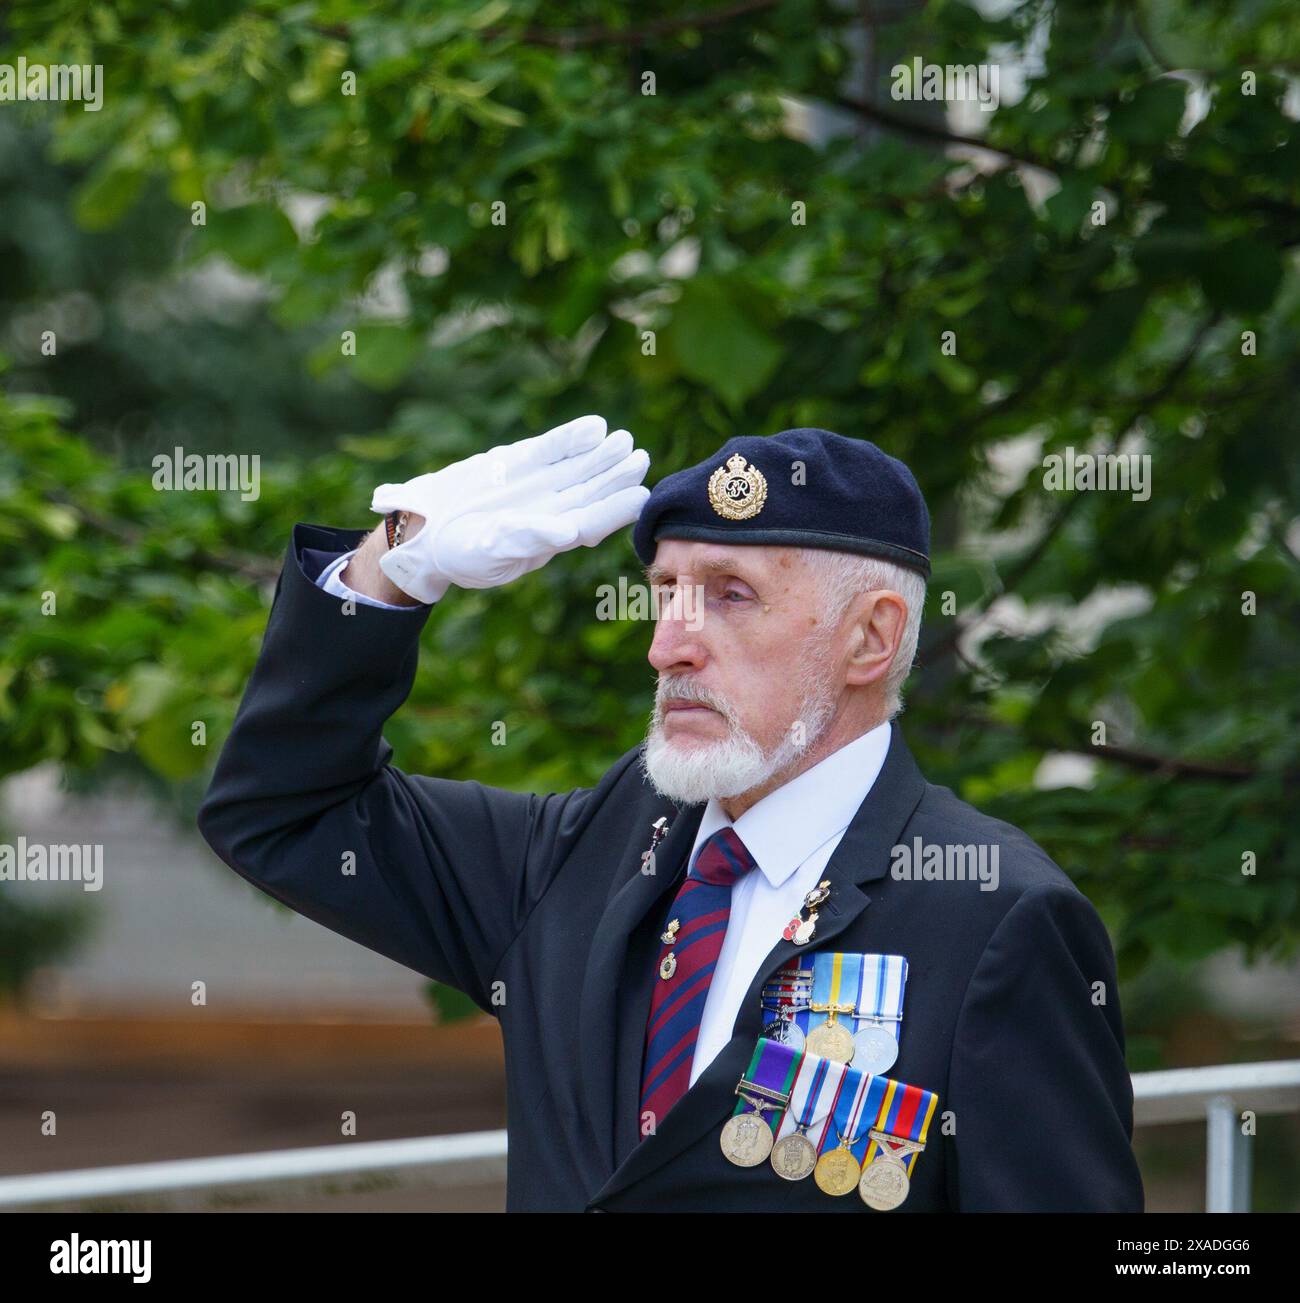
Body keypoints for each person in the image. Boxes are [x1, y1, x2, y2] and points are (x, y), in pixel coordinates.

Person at [197, 415, 1144, 1212]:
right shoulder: (583, 856)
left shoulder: (992, 914)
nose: (668, 646)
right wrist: (390, 570)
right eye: (666, 595)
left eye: (731, 596)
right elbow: (287, 811)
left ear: (870, 637)